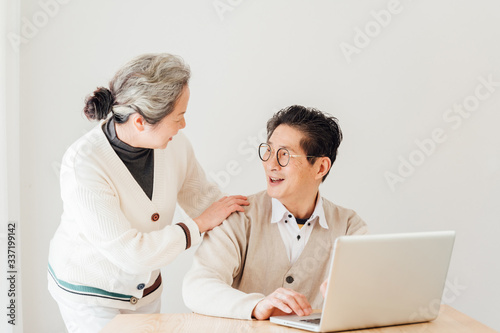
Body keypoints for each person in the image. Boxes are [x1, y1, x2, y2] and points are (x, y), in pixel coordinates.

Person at [47, 53, 248, 332]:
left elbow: (205, 201)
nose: (183, 125)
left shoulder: (175, 145)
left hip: (146, 292)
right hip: (92, 295)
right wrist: (198, 226)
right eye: (179, 117)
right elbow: (132, 254)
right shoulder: (84, 164)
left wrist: (253, 224)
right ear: (140, 122)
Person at [182, 105, 368, 320]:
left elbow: (371, 292)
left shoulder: (350, 226)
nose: (270, 164)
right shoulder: (238, 216)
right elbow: (197, 287)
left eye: (284, 155)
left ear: (320, 167)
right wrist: (257, 305)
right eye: (268, 150)